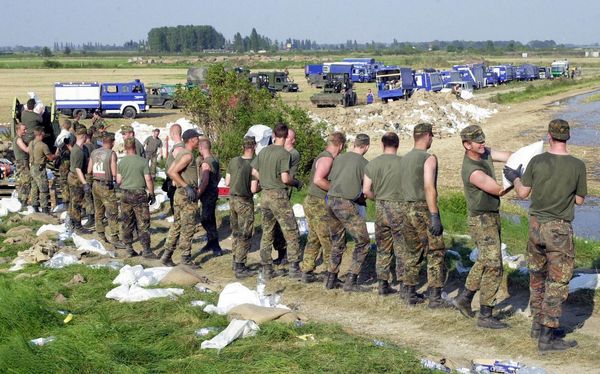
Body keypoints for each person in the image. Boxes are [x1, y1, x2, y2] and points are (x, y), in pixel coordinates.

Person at [507, 119, 586, 352]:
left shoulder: (536, 160)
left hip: (535, 226)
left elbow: (522, 193)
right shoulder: (577, 165)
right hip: (559, 229)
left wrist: (515, 177)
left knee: (537, 277)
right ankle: (548, 335)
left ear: (549, 136)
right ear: (568, 137)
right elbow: (580, 200)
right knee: (558, 281)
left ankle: (537, 324)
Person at [453, 124, 512, 329]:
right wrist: (517, 179)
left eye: (483, 140)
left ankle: (464, 298)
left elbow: (507, 156)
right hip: (481, 220)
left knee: (485, 261)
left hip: (491, 215)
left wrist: (527, 158)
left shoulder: (484, 152)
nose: (483, 144)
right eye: (478, 142)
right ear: (467, 145)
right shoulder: (472, 171)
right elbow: (498, 190)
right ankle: (486, 314)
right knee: (495, 265)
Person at [397, 123, 447, 307]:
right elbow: (428, 186)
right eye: (432, 135)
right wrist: (434, 215)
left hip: (405, 208)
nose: (432, 139)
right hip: (421, 208)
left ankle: (408, 292)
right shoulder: (429, 158)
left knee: (412, 251)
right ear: (427, 136)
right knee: (436, 251)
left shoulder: (404, 159)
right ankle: (435, 297)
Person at [251, 123, 301, 279]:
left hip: (264, 195)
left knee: (267, 232)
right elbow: (285, 178)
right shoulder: (284, 154)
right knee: (291, 231)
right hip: (278, 195)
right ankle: (293, 267)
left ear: (273, 135)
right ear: (286, 137)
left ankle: (267, 267)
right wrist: (297, 183)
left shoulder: (264, 151)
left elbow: (253, 171)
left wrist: (264, 179)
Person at [325, 133, 370, 292]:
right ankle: (351, 280)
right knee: (363, 241)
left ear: (354, 145)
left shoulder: (339, 158)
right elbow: (366, 189)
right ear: (366, 147)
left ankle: (331, 278)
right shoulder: (365, 163)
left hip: (330, 200)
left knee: (337, 241)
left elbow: (332, 179)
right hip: (345, 203)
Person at [301, 131, 346, 283]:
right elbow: (318, 180)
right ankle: (330, 273)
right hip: (318, 202)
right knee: (327, 238)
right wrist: (335, 189)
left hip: (311, 201)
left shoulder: (323, 155)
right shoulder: (327, 158)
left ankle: (307, 270)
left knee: (314, 237)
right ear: (340, 145)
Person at [362, 132, 403, 297]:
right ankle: (405, 285)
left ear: (382, 144)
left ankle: (382, 284)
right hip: (399, 209)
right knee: (402, 248)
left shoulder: (372, 164)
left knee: (383, 248)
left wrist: (378, 198)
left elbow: (366, 190)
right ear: (397, 145)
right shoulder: (404, 163)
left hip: (380, 208)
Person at [161, 129, 203, 268]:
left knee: (177, 224)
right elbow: (172, 172)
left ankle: (167, 255)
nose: (199, 140)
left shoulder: (181, 153)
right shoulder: (187, 156)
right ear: (191, 140)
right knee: (188, 226)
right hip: (186, 195)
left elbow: (170, 171)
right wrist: (187, 186)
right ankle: (185, 258)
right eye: (197, 138)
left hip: (180, 194)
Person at [116, 138, 157, 258]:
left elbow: (118, 180)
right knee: (143, 222)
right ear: (135, 147)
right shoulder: (143, 161)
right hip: (139, 193)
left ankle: (129, 248)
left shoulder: (121, 162)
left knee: (127, 221)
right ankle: (146, 250)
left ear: (125, 148)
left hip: (125, 193)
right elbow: (148, 179)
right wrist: (152, 193)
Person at [225, 136, 257, 278]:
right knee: (245, 233)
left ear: (242, 147)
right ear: (254, 146)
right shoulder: (254, 164)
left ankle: (234, 260)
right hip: (245, 201)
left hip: (232, 199)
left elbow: (227, 182)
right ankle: (240, 265)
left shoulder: (233, 161)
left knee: (236, 232)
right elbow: (254, 189)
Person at [88, 132, 125, 249]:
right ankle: (114, 237)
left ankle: (100, 233)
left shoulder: (94, 152)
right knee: (112, 212)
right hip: (106, 186)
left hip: (95, 183)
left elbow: (89, 169)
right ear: (112, 142)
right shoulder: (111, 154)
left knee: (98, 210)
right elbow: (114, 173)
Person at [273, 128, 302, 265]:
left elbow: (287, 176)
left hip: (284, 190)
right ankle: (280, 252)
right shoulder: (278, 152)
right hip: (274, 190)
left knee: (284, 223)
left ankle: (286, 254)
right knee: (275, 223)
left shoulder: (292, 154)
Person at [198, 138, 223, 256]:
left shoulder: (205, 163)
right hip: (214, 191)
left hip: (207, 193)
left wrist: (198, 193)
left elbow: (205, 181)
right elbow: (219, 175)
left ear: (201, 148)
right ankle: (210, 243)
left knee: (205, 219)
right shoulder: (215, 159)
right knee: (210, 217)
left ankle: (215, 244)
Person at [68, 126, 92, 234]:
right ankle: (78, 226)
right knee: (76, 203)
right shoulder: (77, 151)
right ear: (84, 136)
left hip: (78, 177)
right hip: (76, 179)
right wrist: (85, 183)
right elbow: (78, 169)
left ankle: (73, 222)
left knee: (75, 202)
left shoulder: (83, 148)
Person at [29, 127, 57, 214]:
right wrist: (57, 155)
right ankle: (44, 208)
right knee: (43, 189)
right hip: (40, 169)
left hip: (32, 167)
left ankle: (35, 206)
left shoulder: (31, 143)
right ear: (41, 134)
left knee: (34, 187)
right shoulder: (43, 145)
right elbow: (50, 157)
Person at [164, 124, 184, 216]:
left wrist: (173, 182)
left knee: (176, 206)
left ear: (172, 133)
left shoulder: (179, 149)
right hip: (172, 180)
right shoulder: (177, 147)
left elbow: (178, 167)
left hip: (175, 181)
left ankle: (178, 225)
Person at [56, 119, 76, 207]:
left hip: (64, 158)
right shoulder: (72, 135)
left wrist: (56, 154)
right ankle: (71, 198)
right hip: (70, 158)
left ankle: (66, 200)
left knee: (63, 180)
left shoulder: (64, 135)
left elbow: (58, 145)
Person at [13, 123, 31, 206]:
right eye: (24, 129)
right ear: (18, 130)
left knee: (22, 182)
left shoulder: (20, 139)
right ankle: (23, 201)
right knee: (26, 182)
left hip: (22, 162)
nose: (25, 131)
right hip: (22, 163)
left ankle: (21, 200)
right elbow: (26, 150)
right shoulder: (19, 139)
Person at [82, 128, 97, 228]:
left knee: (88, 196)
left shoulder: (86, 147)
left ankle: (90, 216)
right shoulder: (95, 146)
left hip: (87, 173)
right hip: (94, 173)